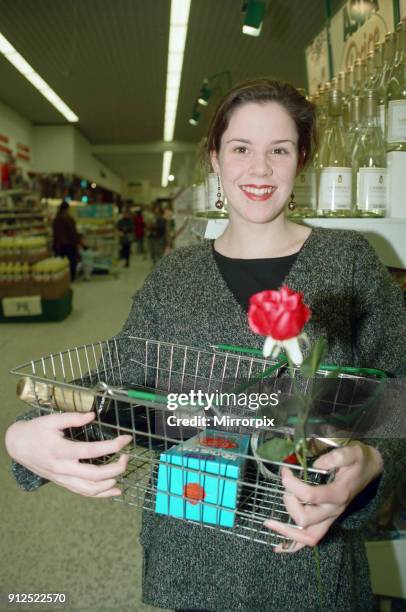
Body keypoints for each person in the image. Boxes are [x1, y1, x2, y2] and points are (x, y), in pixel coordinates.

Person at [5, 79, 406, 611]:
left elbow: (397, 387)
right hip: (194, 557)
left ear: (301, 159)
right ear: (215, 159)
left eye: (278, 150)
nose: (259, 169)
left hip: (311, 567)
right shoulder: (174, 277)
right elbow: (116, 392)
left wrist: (373, 461)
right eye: (241, 149)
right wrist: (23, 440)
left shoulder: (350, 262)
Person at [52, 200, 80, 281]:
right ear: (67, 208)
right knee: (71, 262)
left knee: (61, 264)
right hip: (69, 244)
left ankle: (62, 278)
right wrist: (77, 241)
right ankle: (71, 278)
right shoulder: (68, 218)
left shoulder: (56, 218)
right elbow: (72, 232)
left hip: (59, 245)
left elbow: (55, 233)